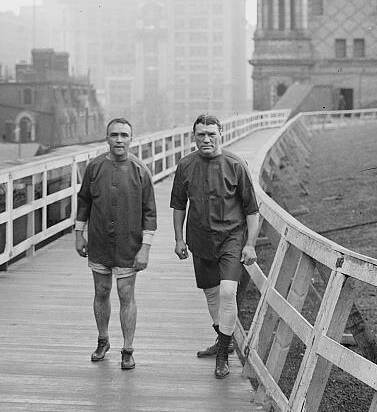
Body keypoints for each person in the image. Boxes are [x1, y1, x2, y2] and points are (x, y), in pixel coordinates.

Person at [171, 113, 260, 379]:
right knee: (211, 294)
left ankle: (222, 355)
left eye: (211, 134)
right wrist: (178, 238)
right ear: (194, 136)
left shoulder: (235, 164)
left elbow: (252, 210)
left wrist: (251, 244)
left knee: (227, 293)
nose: (206, 139)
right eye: (201, 134)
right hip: (200, 238)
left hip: (232, 238)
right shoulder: (185, 165)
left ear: (221, 133)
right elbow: (178, 205)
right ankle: (224, 340)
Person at [75, 117, 157, 371]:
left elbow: (150, 213)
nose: (119, 140)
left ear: (131, 139)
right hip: (99, 241)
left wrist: (145, 248)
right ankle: (103, 340)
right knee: (101, 292)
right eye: (114, 135)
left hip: (128, 244)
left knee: (125, 295)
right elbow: (84, 201)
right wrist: (79, 233)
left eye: (124, 135)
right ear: (107, 138)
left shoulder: (140, 170)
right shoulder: (95, 167)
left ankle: (128, 349)